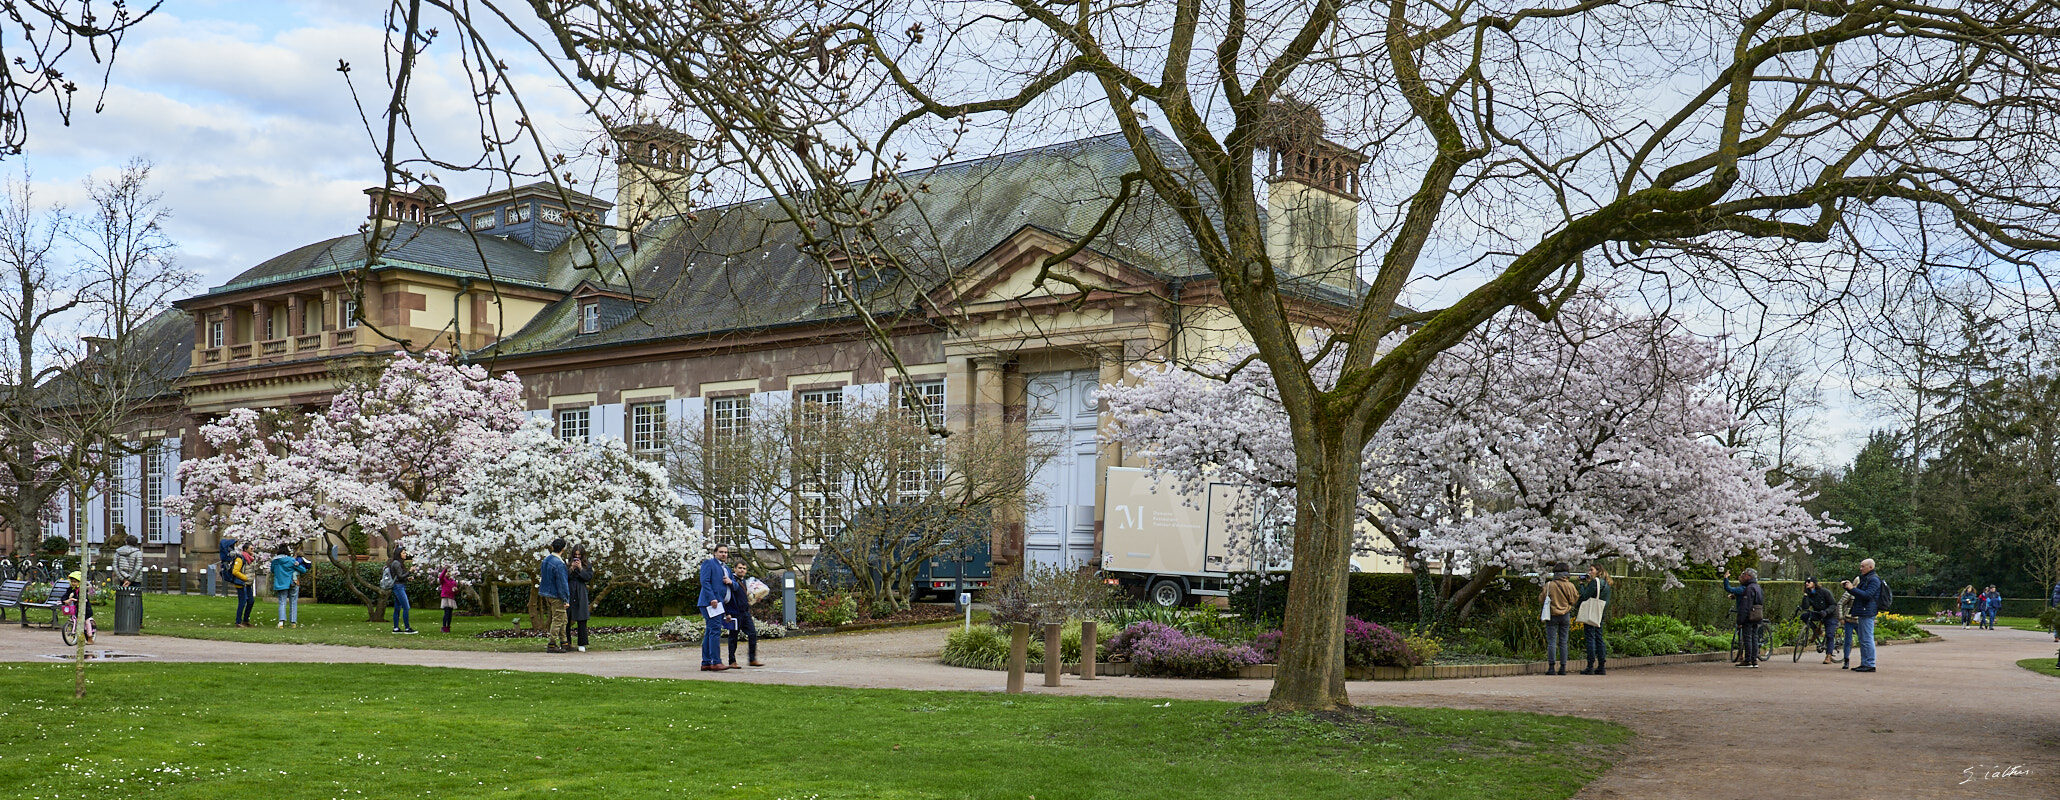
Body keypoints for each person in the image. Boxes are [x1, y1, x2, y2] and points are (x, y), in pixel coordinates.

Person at [1842, 558, 1885, 672]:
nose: (1861, 569)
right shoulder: (1866, 579)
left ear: (1870, 567)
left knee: (1866, 638)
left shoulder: (1874, 579)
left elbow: (1867, 595)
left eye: (1863, 566)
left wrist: (1852, 588)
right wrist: (1849, 588)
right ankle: (1865, 662)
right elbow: (1860, 594)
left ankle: (1870, 663)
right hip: (1863, 611)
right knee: (1863, 638)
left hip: (1867, 611)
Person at [697, 544, 735, 672]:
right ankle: (715, 662)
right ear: (715, 553)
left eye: (725, 552)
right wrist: (712, 598)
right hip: (711, 603)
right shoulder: (709, 563)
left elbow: (734, 586)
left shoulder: (727, 569)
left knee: (710, 631)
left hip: (721, 604)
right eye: (721, 552)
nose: (724, 554)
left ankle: (706, 662)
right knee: (714, 630)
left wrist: (730, 582)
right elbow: (705, 581)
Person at [1721, 568, 1765, 668]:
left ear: (1749, 576)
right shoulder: (1757, 587)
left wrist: (1740, 620)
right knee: (1754, 637)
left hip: (1749, 616)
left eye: (1744, 574)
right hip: (1757, 615)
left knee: (1747, 638)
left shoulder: (1748, 588)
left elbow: (1746, 605)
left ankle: (1748, 660)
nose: (1742, 576)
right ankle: (1754, 660)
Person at [1541, 563, 1579, 676]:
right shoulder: (1570, 585)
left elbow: (1541, 598)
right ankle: (1563, 667)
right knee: (1563, 642)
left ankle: (1551, 667)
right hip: (1565, 615)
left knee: (1552, 642)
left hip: (1552, 615)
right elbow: (1575, 598)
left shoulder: (1549, 585)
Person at [726, 561, 763, 668]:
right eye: (740, 568)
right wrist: (727, 613)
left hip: (745, 613)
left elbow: (745, 597)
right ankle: (732, 661)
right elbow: (726, 597)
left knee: (752, 634)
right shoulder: (730, 581)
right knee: (733, 637)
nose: (742, 570)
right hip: (733, 613)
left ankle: (752, 659)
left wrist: (756, 599)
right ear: (734, 569)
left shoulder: (745, 582)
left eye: (744, 568)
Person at [1577, 564, 1611, 675]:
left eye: (1591, 570)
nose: (1589, 572)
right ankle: (1601, 665)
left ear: (1598, 571)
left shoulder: (1595, 582)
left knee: (1590, 637)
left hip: (1591, 613)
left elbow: (1584, 596)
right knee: (1599, 638)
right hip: (1601, 613)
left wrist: (1581, 585)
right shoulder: (1606, 583)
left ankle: (1590, 665)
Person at [539, 538, 571, 653]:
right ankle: (552, 644)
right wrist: (565, 599)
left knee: (563, 619)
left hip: (548, 594)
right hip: (556, 595)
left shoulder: (546, 560)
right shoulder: (559, 564)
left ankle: (564, 642)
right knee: (558, 619)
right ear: (563, 549)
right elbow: (562, 583)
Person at [269, 544, 309, 628]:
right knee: (293, 602)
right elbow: (303, 570)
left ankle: (281, 622)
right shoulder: (291, 560)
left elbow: (272, 570)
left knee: (282, 602)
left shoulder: (274, 561)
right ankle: (293, 622)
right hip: (292, 582)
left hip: (281, 583)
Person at [1797, 577, 1837, 664]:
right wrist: (1805, 596)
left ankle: (1829, 656)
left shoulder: (1824, 592)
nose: (1807, 583)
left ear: (1814, 583)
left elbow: (1833, 604)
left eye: (1809, 582)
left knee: (1830, 635)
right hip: (1818, 613)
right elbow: (1805, 607)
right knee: (1804, 616)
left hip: (1830, 615)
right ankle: (1816, 630)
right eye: (1806, 582)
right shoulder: (1809, 593)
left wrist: (1826, 612)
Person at [565, 547, 593, 653]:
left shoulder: (587, 565)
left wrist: (581, 569)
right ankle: (566, 642)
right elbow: (564, 576)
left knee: (582, 618)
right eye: (575, 555)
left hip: (580, 591)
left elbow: (588, 577)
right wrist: (571, 568)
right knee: (566, 618)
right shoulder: (567, 563)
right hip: (569, 591)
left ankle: (582, 643)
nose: (577, 557)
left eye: (579, 555)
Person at [387, 545, 418, 634]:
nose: (405, 554)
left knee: (397, 608)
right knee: (406, 607)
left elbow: (399, 577)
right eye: (403, 553)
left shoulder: (397, 563)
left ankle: (396, 628)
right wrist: (410, 571)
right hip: (398, 587)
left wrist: (408, 578)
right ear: (399, 554)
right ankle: (407, 628)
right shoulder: (396, 563)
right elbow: (400, 576)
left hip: (398, 586)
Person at [62, 570, 95, 644]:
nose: (73, 583)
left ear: (79, 582)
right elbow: (65, 596)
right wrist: (65, 600)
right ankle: (76, 634)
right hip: (75, 608)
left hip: (85, 609)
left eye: (75, 582)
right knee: (74, 618)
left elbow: (83, 598)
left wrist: (77, 599)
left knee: (86, 621)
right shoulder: (70, 589)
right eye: (72, 582)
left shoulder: (82, 590)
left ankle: (90, 637)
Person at [228, 542, 256, 628]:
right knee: (242, 602)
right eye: (251, 549)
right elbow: (235, 571)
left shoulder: (250, 559)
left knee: (251, 601)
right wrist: (245, 578)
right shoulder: (240, 559)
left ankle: (246, 620)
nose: (253, 550)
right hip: (241, 584)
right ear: (245, 549)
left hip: (248, 584)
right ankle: (238, 621)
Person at [437, 567, 461, 633]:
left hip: (451, 598)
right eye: (447, 573)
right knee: (446, 613)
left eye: (449, 573)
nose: (448, 574)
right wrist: (445, 569)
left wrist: (456, 590)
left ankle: (448, 627)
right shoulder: (443, 580)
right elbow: (440, 577)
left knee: (450, 614)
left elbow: (455, 591)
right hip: (445, 598)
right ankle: (444, 627)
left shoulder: (453, 581)